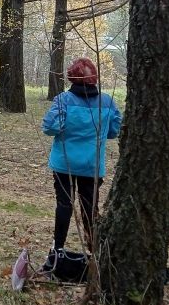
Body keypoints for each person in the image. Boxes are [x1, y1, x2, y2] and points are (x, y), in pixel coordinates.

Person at [40, 58, 121, 256]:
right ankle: (94, 250)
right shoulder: (107, 102)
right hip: (92, 165)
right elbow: (114, 131)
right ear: (94, 78)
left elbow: (50, 127)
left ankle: (58, 248)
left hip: (64, 163)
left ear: (71, 78)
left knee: (64, 204)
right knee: (89, 208)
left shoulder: (63, 100)